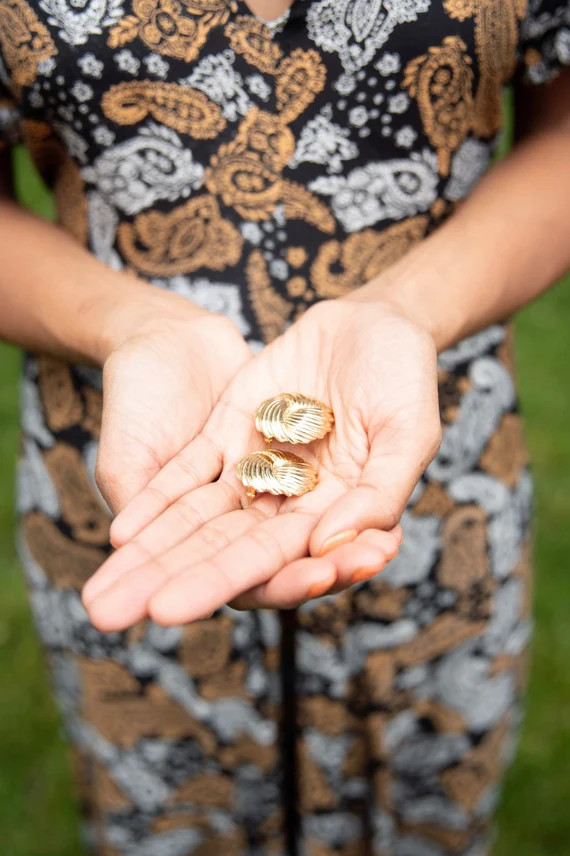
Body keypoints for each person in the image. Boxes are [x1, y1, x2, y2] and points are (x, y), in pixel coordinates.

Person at [1, 0, 569, 852]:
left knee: (426, 813)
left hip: (433, 459)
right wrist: (130, 326)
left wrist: (408, 311)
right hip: (137, 461)